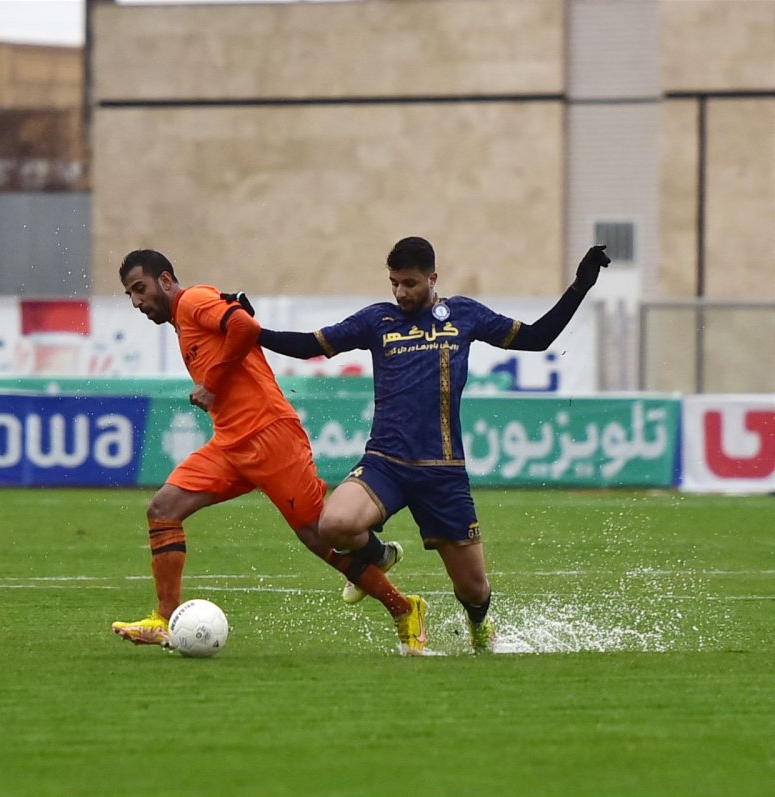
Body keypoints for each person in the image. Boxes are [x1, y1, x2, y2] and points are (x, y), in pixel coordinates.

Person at [222, 237, 610, 653]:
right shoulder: (377, 321)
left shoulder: (464, 315)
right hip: (385, 463)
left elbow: (537, 338)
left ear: (433, 278)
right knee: (333, 525)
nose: (401, 293)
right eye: (394, 283)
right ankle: (380, 556)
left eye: (409, 283)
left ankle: (480, 628)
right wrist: (250, 326)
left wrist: (580, 285)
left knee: (474, 589)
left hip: (443, 472)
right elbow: (309, 346)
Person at [112, 249, 428, 655]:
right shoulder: (183, 319)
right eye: (129, 295)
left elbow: (245, 326)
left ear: (166, 280)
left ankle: (405, 609)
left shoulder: (191, 301)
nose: (137, 302)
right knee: (163, 510)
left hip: (270, 435)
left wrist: (211, 383)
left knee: (318, 537)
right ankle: (163, 618)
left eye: (140, 289)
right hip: (230, 442)